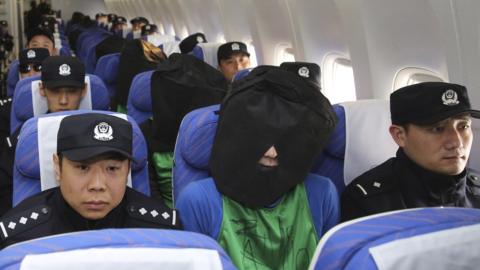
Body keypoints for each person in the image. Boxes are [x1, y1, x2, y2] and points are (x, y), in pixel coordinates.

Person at [176, 66, 339, 269]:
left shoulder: (322, 194)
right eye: (261, 138)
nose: (272, 153)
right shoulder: (199, 200)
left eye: (285, 141)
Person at [0, 113, 181, 249]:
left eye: (112, 169)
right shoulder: (17, 237)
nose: (97, 185)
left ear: (127, 170)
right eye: (82, 168)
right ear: (58, 167)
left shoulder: (162, 232)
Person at [341, 82, 480, 221]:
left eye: (463, 126)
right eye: (437, 129)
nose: (457, 143)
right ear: (399, 135)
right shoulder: (367, 202)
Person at [0, 56, 87, 217]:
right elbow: (4, 191)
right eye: (55, 91)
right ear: (42, 89)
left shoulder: (106, 131)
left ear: (84, 90)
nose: (63, 100)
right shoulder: (26, 139)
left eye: (72, 91)